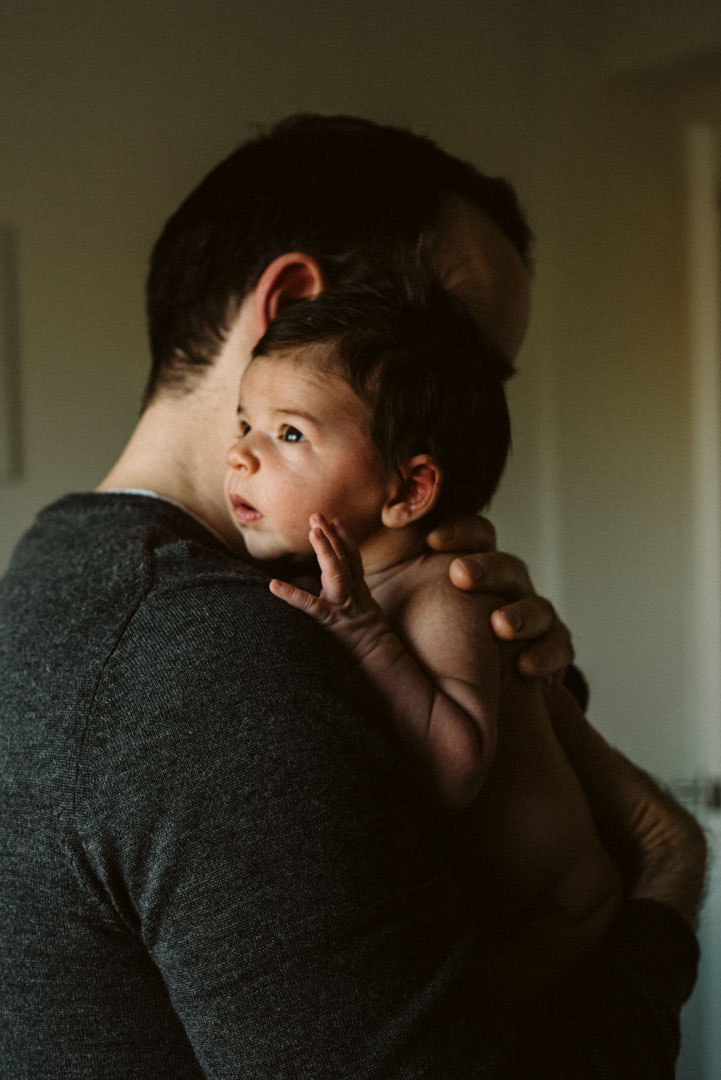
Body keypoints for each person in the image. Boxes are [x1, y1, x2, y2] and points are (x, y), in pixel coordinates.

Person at [0, 114, 705, 1078]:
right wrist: (663, 884)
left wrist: (522, 680)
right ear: (297, 304)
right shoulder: (223, 657)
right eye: (456, 357)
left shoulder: (51, 577)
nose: (462, 428)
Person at [224, 267, 623, 993]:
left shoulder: (446, 588)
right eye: (244, 423)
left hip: (558, 910)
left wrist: (365, 636)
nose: (241, 454)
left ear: (407, 491)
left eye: (288, 433)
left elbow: (456, 767)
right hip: (487, 910)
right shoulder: (337, 587)